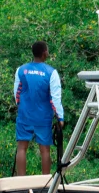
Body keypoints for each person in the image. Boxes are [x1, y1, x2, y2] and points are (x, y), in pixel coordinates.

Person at [13, 41, 65, 176]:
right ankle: (45, 180)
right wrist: (60, 117)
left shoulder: (21, 70)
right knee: (45, 150)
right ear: (44, 53)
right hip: (43, 117)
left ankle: (20, 181)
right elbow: (55, 98)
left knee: (22, 147)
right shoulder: (51, 72)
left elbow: (17, 94)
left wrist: (22, 107)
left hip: (25, 115)